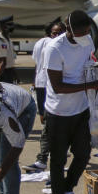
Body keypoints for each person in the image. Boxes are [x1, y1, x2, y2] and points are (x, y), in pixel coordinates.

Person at [44, 10, 98, 194]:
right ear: (68, 29)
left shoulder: (87, 40)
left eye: (87, 31)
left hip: (80, 109)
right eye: (81, 32)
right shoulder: (54, 48)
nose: (85, 35)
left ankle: (68, 187)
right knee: (58, 159)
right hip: (58, 112)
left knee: (82, 154)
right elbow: (58, 87)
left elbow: (88, 64)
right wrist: (91, 85)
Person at [25, 21, 65, 172]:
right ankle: (44, 157)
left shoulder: (44, 43)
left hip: (50, 85)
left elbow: (37, 62)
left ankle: (48, 155)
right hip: (47, 85)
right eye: (55, 33)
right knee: (48, 122)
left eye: (60, 32)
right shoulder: (55, 45)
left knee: (50, 122)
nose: (57, 35)